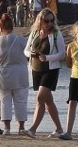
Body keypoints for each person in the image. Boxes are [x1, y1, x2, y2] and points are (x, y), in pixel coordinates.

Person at [21, 8, 66, 138]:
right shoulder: (35, 33)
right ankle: (58, 129)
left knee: (40, 98)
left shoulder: (56, 34)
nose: (49, 23)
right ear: (40, 21)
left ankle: (33, 129)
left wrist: (47, 58)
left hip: (50, 70)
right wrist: (31, 54)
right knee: (48, 101)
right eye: (46, 21)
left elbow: (62, 54)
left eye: (52, 20)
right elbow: (26, 50)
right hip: (36, 69)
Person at [0, 14, 29, 135]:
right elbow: (28, 54)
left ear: (0, 27)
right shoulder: (21, 39)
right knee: (20, 100)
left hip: (2, 74)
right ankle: (21, 127)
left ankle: (7, 128)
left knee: (5, 101)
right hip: (20, 73)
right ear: (12, 26)